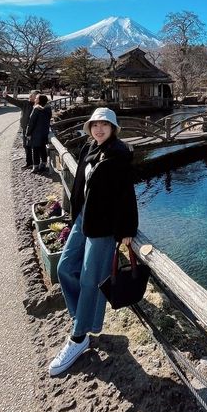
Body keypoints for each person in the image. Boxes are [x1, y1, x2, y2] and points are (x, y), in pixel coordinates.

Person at [50, 107, 139, 377]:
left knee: (90, 279)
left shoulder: (119, 155)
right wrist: (74, 214)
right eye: (95, 124)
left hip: (104, 225)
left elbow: (126, 193)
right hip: (83, 218)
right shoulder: (90, 148)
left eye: (105, 125)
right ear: (90, 128)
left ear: (113, 128)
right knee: (64, 267)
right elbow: (81, 185)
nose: (99, 129)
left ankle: (79, 337)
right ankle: (82, 317)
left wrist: (127, 229)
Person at [6, 90, 40, 169]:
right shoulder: (25, 103)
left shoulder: (38, 105)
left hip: (34, 130)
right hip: (25, 129)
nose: (30, 96)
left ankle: (38, 164)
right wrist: (6, 96)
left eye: (33, 95)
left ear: (37, 97)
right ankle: (29, 163)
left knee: (35, 147)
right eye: (30, 94)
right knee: (26, 146)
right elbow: (15, 102)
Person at [26, 94, 52, 173]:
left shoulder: (36, 109)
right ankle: (43, 164)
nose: (35, 99)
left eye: (36, 98)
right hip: (44, 132)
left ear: (39, 100)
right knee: (43, 148)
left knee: (35, 150)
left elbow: (31, 123)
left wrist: (28, 133)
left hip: (36, 133)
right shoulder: (48, 109)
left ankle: (36, 166)